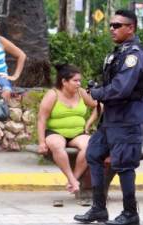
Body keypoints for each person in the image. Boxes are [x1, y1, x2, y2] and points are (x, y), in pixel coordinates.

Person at [74, 9, 143, 225]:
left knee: (124, 165)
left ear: (131, 28)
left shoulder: (135, 55)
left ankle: (130, 213)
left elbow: (121, 88)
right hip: (110, 119)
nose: (112, 29)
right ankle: (99, 208)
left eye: (117, 25)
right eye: (111, 25)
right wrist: (98, 89)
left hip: (127, 119)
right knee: (94, 154)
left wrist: (98, 93)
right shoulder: (119, 53)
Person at [37, 64, 99, 193]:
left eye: (79, 80)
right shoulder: (53, 94)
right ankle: (72, 180)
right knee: (57, 145)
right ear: (64, 82)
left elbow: (97, 105)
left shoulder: (81, 92)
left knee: (90, 145)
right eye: (75, 80)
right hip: (56, 132)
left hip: (78, 133)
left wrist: (88, 125)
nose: (78, 84)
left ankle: (73, 179)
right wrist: (42, 142)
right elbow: (42, 119)